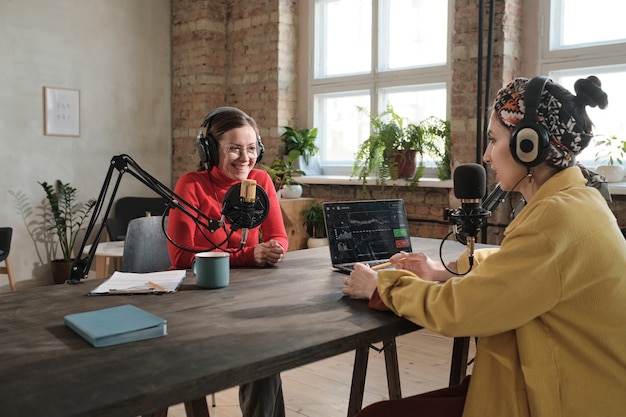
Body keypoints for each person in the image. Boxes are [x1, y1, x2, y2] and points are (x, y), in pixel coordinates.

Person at [343, 76, 626, 417]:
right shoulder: (578, 200)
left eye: (493, 140)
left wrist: (380, 285)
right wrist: (441, 273)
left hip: (561, 401)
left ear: (528, 144)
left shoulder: (553, 219)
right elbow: (520, 271)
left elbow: (461, 311)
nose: (486, 156)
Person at [167, 106, 288, 417]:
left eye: (251, 148)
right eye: (234, 148)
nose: (245, 158)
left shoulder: (260, 180)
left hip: (245, 295)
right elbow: (181, 256)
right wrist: (248, 256)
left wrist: (274, 248)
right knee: (260, 349)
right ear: (209, 150)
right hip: (194, 301)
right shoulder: (190, 184)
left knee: (266, 353)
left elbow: (279, 236)